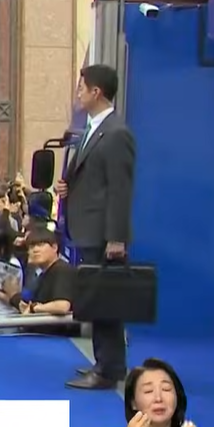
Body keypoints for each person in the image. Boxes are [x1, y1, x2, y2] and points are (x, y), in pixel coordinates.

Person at [57, 63, 135, 390]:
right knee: (98, 300)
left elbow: (120, 188)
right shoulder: (91, 129)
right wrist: (69, 187)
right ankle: (105, 362)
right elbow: (91, 177)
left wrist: (116, 237)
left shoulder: (117, 133)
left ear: (96, 91)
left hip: (102, 232)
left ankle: (108, 369)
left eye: (81, 88)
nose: (78, 94)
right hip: (85, 227)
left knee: (106, 303)